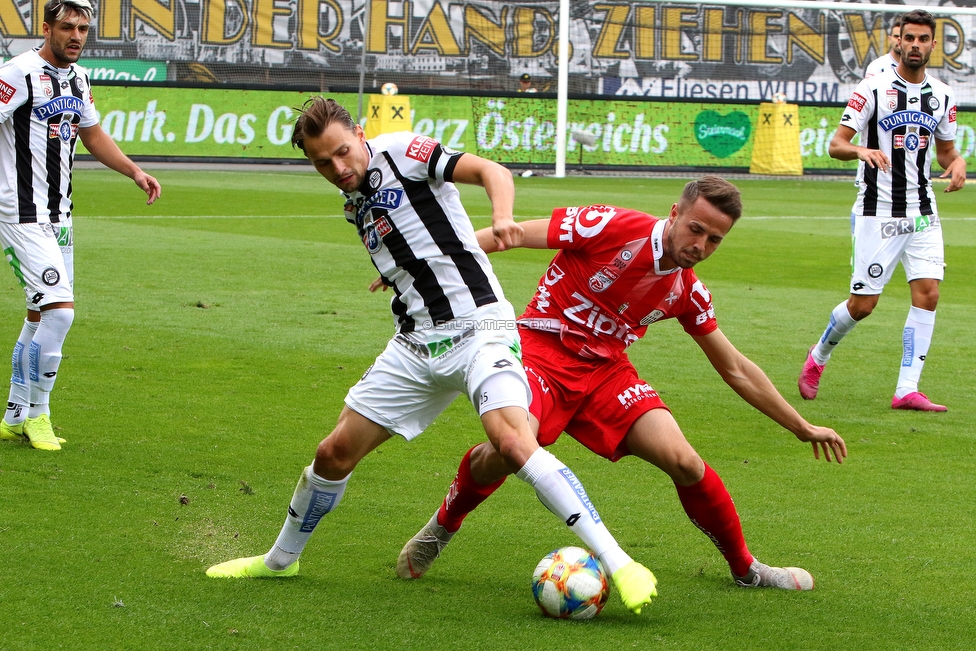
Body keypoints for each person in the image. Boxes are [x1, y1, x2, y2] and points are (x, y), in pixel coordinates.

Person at [205, 98, 657, 615]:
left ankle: (618, 561)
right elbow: (416, 240)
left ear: (360, 133)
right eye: (322, 163)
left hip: (479, 327)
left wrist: (504, 216)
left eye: (343, 153)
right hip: (416, 343)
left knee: (511, 440)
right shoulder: (354, 199)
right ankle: (280, 561)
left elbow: (491, 170)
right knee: (333, 454)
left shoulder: (402, 150)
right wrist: (398, 271)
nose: (338, 169)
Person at [396, 177, 847, 593]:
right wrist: (424, 272)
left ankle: (746, 569)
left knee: (685, 461)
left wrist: (801, 427)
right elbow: (505, 235)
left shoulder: (687, 291)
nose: (701, 245)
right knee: (509, 448)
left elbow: (735, 368)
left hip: (606, 373)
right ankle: (442, 526)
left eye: (714, 240)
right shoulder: (609, 226)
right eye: (695, 229)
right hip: (539, 350)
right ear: (674, 213)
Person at [0, 0, 161, 451]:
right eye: (67, 27)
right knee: (61, 312)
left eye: (83, 28)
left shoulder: (78, 78)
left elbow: (92, 134)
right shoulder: (18, 72)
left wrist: (134, 171)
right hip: (22, 215)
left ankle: (14, 414)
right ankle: (39, 415)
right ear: (46, 28)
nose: (76, 35)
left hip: (61, 217)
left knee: (39, 315)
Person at [799, 9, 966, 411]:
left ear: (931, 44)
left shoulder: (943, 95)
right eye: (909, 38)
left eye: (923, 39)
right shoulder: (872, 88)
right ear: (899, 41)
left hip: (923, 211)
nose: (915, 45)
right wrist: (861, 149)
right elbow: (836, 144)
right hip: (878, 211)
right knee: (863, 306)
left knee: (928, 294)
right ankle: (819, 354)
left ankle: (907, 389)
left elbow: (946, 151)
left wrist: (957, 164)